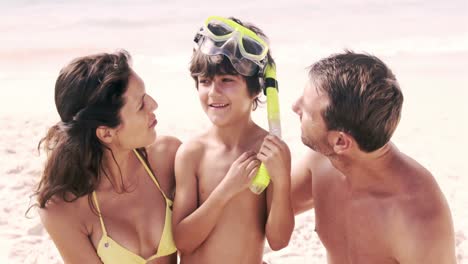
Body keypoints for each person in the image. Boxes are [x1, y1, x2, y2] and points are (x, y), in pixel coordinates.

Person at [291, 51, 457, 263]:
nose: (294, 107)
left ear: (341, 142)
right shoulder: (321, 163)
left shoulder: (418, 214)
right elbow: (262, 211)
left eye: (305, 110)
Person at [35, 50, 180, 264]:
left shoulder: (168, 157)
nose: (153, 105)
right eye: (140, 104)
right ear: (106, 133)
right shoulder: (63, 209)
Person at [172, 16, 294, 263]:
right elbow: (183, 243)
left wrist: (280, 183)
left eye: (227, 80)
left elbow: (279, 241)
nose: (214, 92)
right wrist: (226, 190)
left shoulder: (270, 151)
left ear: (256, 89)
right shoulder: (193, 153)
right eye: (205, 81)